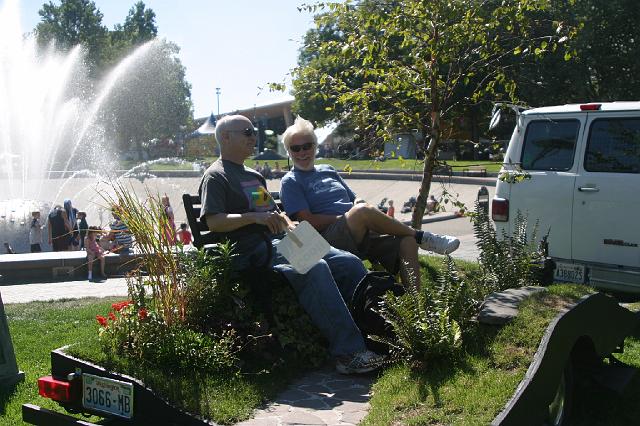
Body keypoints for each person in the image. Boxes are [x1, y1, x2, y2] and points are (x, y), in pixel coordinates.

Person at [199, 114, 384, 375]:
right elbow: (215, 221)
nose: (254, 137)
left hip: (282, 240)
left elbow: (271, 211)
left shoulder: (251, 176)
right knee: (314, 266)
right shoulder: (216, 176)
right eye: (248, 132)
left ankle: (378, 333)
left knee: (348, 263)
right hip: (253, 251)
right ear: (226, 137)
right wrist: (254, 218)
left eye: (254, 132)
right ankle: (348, 353)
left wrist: (288, 224)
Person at [279, 117, 460, 289]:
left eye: (307, 145)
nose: (302, 152)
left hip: (359, 228)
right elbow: (307, 222)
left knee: (407, 241)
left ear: (315, 146)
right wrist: (350, 216)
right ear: (289, 152)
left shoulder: (328, 170)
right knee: (362, 212)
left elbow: (354, 198)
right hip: (328, 238)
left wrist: (359, 206)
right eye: (296, 148)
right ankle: (423, 237)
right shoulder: (291, 181)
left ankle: (414, 308)